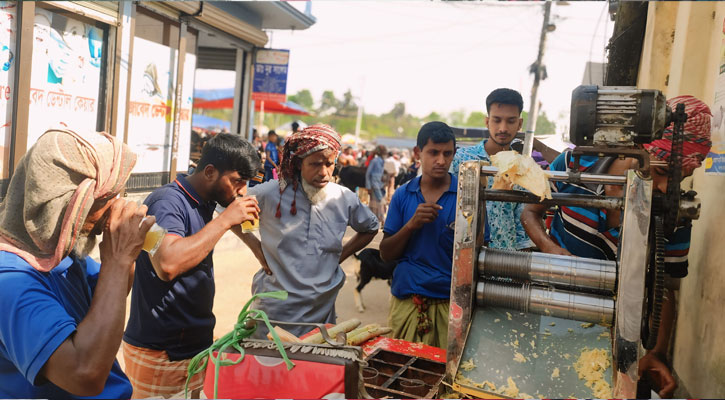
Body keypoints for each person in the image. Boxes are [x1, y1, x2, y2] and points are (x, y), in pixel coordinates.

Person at [521, 95, 713, 399]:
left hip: (613, 333)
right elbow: (529, 212)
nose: (664, 189)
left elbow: (665, 289)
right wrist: (548, 248)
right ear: (640, 150)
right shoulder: (576, 164)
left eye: (680, 177)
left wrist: (658, 351)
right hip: (552, 307)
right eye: (661, 172)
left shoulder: (673, 208)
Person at [0, 129, 150, 398]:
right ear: (68, 204)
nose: (116, 207)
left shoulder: (60, 254)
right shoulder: (10, 281)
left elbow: (109, 297)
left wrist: (125, 253)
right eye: (106, 199)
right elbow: (84, 376)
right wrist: (118, 258)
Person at [122, 133, 260, 398]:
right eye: (237, 181)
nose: (242, 191)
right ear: (209, 172)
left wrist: (256, 246)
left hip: (191, 349)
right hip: (162, 353)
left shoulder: (205, 200)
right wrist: (225, 220)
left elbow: (214, 224)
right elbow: (167, 263)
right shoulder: (166, 202)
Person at [235, 124, 379, 337]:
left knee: (313, 362)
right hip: (275, 306)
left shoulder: (344, 198)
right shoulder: (272, 192)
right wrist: (255, 247)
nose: (324, 172)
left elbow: (371, 227)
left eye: (329, 164)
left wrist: (340, 256)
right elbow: (229, 209)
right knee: (269, 362)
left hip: (320, 307)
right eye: (315, 164)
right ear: (298, 163)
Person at [379, 121, 457, 348]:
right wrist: (411, 225)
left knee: (444, 377)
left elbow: (476, 252)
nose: (441, 160)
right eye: (433, 152)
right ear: (417, 153)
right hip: (407, 301)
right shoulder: (403, 195)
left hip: (450, 304)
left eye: (447, 153)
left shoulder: (466, 196)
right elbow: (386, 253)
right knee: (400, 372)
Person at [450, 88, 534, 251]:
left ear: (520, 124)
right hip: (464, 254)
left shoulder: (524, 168)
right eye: (497, 120)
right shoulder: (462, 159)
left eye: (510, 121)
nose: (503, 128)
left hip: (506, 262)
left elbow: (521, 227)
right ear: (487, 121)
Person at [366, 145, 387, 226]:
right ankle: (380, 220)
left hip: (380, 186)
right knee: (377, 204)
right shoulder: (375, 161)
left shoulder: (382, 161)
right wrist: (368, 186)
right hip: (374, 186)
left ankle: (379, 220)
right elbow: (368, 174)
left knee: (379, 204)